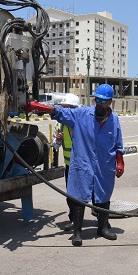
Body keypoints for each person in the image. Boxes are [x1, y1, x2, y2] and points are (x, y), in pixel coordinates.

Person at [25, 84, 125, 247]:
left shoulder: (114, 120)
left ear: (110, 102)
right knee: (78, 197)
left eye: (103, 101)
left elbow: (118, 143)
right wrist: (40, 107)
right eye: (97, 100)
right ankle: (77, 233)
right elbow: (60, 112)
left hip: (104, 165)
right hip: (83, 164)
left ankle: (102, 229)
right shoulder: (82, 114)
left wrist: (120, 161)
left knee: (103, 196)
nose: (99, 103)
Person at [51, 93, 81, 231]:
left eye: (67, 108)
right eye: (63, 108)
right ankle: (73, 219)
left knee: (89, 193)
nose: (64, 111)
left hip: (83, 165)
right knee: (71, 195)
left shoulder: (82, 123)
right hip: (70, 166)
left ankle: (100, 217)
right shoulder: (60, 124)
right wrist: (58, 139)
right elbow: (55, 146)